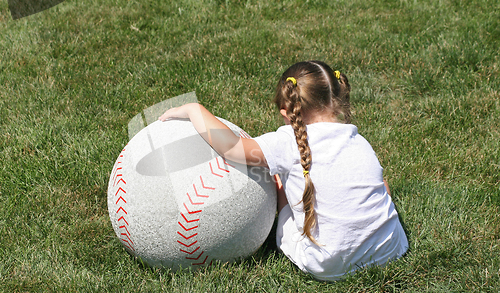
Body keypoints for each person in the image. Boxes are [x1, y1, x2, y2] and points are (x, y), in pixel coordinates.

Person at [159, 60, 408, 281]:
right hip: (390, 248)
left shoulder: (287, 141)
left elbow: (233, 148)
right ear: (336, 97)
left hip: (329, 264)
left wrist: (194, 109)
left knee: (278, 179)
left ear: (286, 113)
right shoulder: (358, 139)